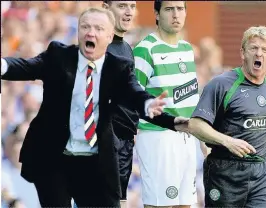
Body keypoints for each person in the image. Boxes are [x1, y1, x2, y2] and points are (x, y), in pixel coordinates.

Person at [1, 7, 188, 207]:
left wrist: (149, 104)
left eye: (98, 28)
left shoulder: (119, 68)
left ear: (109, 36)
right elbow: (26, 66)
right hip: (55, 157)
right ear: (79, 32)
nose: (91, 32)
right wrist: (3, 65)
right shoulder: (58, 56)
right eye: (85, 27)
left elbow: (134, 93)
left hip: (95, 160)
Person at [188, 26, 266, 207]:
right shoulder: (221, 84)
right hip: (225, 173)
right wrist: (227, 141)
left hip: (261, 173)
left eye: (264, 49)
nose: (258, 53)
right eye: (253, 48)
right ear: (243, 53)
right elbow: (195, 124)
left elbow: (263, 128)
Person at [132, 1, 200, 207]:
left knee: (185, 204)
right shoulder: (145, 49)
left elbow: (191, 100)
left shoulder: (187, 48)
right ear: (156, 14)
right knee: (161, 205)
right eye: (169, 9)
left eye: (180, 9)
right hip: (157, 137)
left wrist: (203, 140)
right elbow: (132, 98)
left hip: (187, 137)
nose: (175, 14)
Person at [102, 1, 139, 207]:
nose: (128, 12)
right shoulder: (97, 47)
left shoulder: (126, 48)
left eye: (132, 6)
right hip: (105, 143)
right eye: (122, 6)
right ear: (106, 8)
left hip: (125, 144)